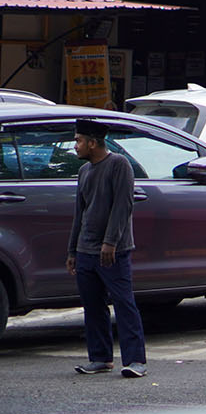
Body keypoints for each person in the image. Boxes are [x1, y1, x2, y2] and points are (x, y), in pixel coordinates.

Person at [66, 118, 146, 378]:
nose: (75, 145)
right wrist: (72, 251)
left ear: (92, 142)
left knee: (124, 303)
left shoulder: (119, 165)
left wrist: (110, 242)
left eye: (78, 140)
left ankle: (136, 361)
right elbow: (80, 213)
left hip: (114, 250)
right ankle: (100, 357)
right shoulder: (84, 171)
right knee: (92, 305)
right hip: (86, 250)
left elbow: (123, 207)